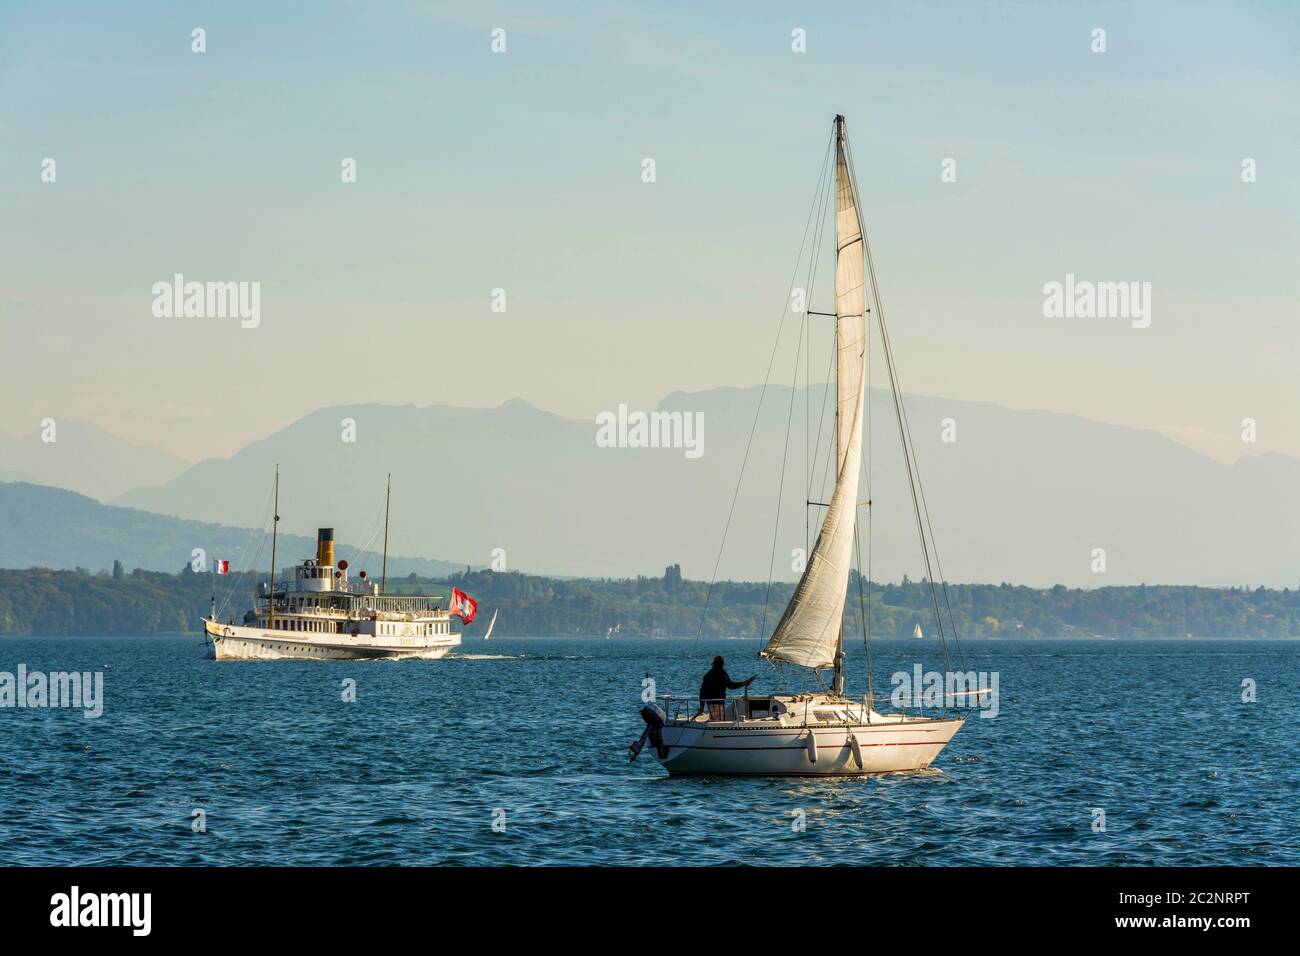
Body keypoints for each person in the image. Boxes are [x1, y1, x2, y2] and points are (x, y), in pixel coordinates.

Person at [698, 656, 754, 720]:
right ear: (722, 664)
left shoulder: (711, 675)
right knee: (718, 721)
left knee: (718, 721)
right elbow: (731, 685)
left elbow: (702, 691)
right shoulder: (720, 674)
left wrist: (702, 706)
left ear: (713, 663)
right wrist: (745, 683)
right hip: (715, 702)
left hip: (716, 702)